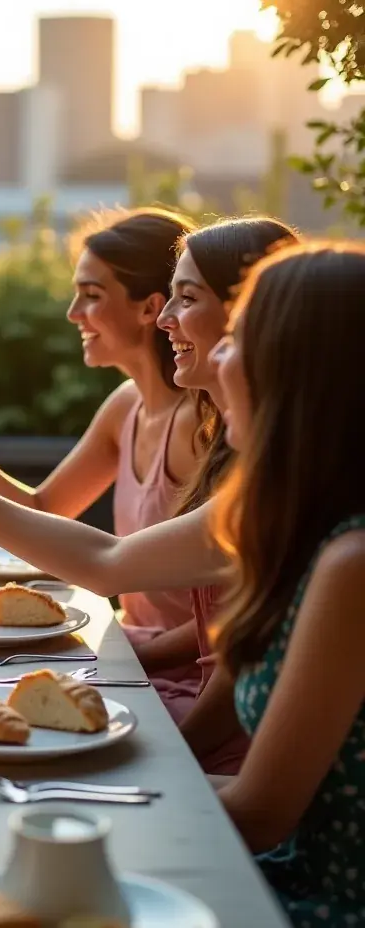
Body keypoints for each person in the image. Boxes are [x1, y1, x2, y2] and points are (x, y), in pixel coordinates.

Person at [0, 242, 365, 927]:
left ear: (297, 367)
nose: (218, 358)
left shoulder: (351, 562)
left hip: (297, 899)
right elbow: (110, 563)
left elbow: (260, 815)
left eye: (237, 337)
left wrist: (44, 791)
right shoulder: (282, 503)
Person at [0, 208, 203, 675]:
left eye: (91, 296)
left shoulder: (206, 426)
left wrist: (123, 658)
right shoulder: (126, 406)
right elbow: (48, 513)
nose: (73, 313)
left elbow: (237, 611)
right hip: (131, 650)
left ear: (150, 308)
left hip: (178, 675)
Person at [141, 216, 297, 773]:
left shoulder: (280, 484)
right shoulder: (231, 445)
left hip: (229, 755)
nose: (162, 318)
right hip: (209, 729)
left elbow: (107, 565)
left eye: (185, 298)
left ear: (247, 318)